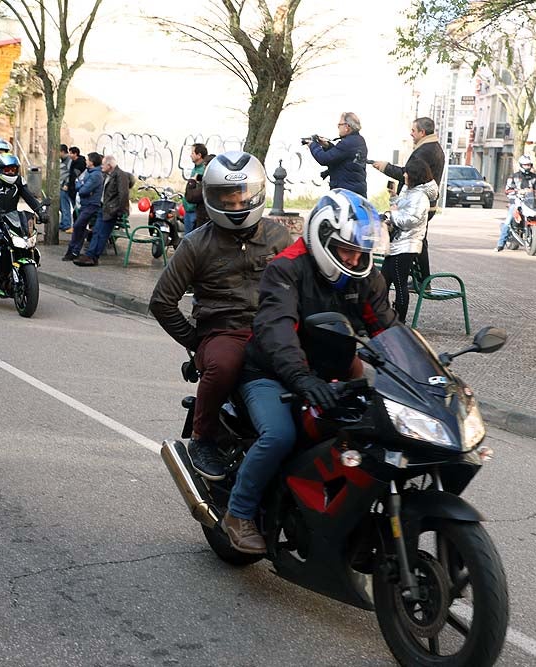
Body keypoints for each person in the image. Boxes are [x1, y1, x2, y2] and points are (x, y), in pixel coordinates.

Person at [222, 189, 395, 554]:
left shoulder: (364, 276)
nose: (355, 258)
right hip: (271, 372)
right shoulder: (286, 268)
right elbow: (277, 330)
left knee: (373, 434)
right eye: (347, 249)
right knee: (280, 434)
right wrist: (301, 378)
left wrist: (427, 373)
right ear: (322, 237)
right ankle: (238, 514)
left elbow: (387, 328)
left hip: (330, 372)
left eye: (362, 252)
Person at [150, 151, 291, 484]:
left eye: (242, 194)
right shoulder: (195, 244)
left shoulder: (278, 237)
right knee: (225, 364)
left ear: (257, 193)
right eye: (227, 196)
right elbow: (162, 301)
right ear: (213, 197)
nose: (236, 202)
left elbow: (298, 284)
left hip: (273, 329)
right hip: (224, 331)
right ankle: (204, 437)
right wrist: (196, 341)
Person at [372, 117, 445, 281]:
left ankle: (417, 279)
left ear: (422, 132)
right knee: (419, 241)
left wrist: (385, 167)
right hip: (423, 202)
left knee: (414, 243)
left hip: (418, 203)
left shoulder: (425, 150)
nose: (411, 134)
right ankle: (420, 279)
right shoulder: (432, 147)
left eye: (413, 130)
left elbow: (411, 173)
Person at [382, 161, 437, 322]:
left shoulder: (420, 197)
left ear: (416, 176)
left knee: (400, 284)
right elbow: (400, 208)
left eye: (407, 173)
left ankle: (399, 321)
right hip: (396, 243)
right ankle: (382, 317)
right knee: (382, 283)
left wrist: (391, 215)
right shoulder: (409, 190)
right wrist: (393, 198)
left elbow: (409, 220)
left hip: (407, 245)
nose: (404, 175)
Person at [74, 155, 131, 267]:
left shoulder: (120, 175)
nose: (101, 167)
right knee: (97, 232)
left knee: (101, 233)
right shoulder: (107, 175)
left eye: (103, 164)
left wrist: (118, 210)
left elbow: (123, 195)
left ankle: (93, 256)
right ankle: (90, 255)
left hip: (111, 210)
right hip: (103, 207)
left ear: (109, 165)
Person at [307, 112, 368, 197]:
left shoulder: (347, 143)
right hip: (355, 192)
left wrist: (313, 145)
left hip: (346, 194)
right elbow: (340, 155)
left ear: (347, 127)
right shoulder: (358, 140)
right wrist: (327, 145)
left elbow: (324, 159)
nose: (338, 127)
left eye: (340, 124)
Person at [62, 152, 103, 261]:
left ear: (92, 162)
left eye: (88, 160)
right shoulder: (88, 172)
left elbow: (84, 190)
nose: (86, 161)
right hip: (85, 204)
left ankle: (73, 250)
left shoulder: (96, 175)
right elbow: (78, 183)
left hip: (91, 205)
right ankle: (74, 251)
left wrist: (81, 185)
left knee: (78, 226)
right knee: (79, 227)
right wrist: (81, 184)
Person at [496, 154, 536, 252]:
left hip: (530, 202)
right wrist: (517, 192)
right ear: (521, 165)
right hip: (516, 201)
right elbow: (507, 190)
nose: (527, 167)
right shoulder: (514, 176)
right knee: (508, 221)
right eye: (525, 165)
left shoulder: (535, 177)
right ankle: (500, 244)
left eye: (529, 165)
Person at [183, 147, 215, 232]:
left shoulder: (210, 181)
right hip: (192, 211)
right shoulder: (196, 170)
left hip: (198, 212)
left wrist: (191, 182)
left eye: (192, 153)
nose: (190, 155)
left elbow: (192, 196)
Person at [67, 146, 86, 223]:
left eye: (71, 153)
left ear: (75, 154)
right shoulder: (73, 162)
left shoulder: (79, 163)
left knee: (77, 208)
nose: (69, 155)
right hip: (72, 187)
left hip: (75, 188)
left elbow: (76, 175)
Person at [58, 144, 73, 232]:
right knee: (61, 206)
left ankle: (66, 224)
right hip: (61, 186)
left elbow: (70, 174)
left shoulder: (69, 161)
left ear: (63, 152)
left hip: (65, 187)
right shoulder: (63, 161)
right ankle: (64, 222)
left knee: (65, 206)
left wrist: (67, 184)